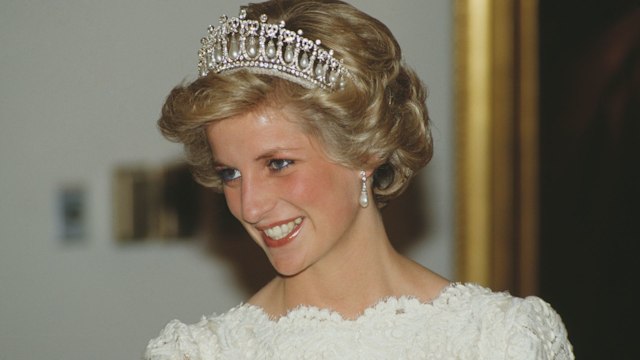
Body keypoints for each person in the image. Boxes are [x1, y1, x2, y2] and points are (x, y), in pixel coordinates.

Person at [145, 0, 574, 358]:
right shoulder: (200, 353)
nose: (249, 205)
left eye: (278, 164)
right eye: (230, 174)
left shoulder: (501, 341)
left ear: (365, 150)